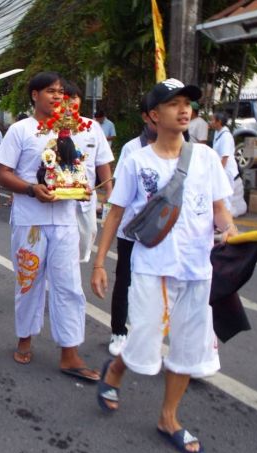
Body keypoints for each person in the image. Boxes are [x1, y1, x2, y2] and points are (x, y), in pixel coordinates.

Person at [90, 78, 236, 453]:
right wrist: (100, 263)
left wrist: (231, 231)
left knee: (187, 348)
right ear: (154, 115)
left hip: (196, 269)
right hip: (152, 266)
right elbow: (116, 212)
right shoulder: (137, 160)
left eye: (188, 103)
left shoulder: (204, 158)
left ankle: (168, 417)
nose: (184, 110)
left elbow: (220, 208)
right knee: (143, 341)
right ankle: (117, 370)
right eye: (174, 104)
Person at [0, 71, 102, 382]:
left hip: (66, 220)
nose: (57, 96)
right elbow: (3, 173)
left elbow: (80, 171)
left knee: (68, 285)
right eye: (50, 91)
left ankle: (70, 352)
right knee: (29, 282)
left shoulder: (75, 130)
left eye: (60, 92)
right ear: (35, 96)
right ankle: (25, 338)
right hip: (30, 220)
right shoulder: (21, 130)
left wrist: (85, 188)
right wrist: (30, 189)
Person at [105, 93, 157, 357]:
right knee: (124, 281)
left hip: (164, 236)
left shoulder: (189, 151)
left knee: (156, 288)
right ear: (148, 117)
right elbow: (120, 200)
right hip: (132, 233)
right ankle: (118, 332)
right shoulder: (132, 150)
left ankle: (149, 336)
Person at [64, 80, 114, 264]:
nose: (70, 103)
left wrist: (109, 190)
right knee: (61, 247)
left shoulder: (92, 127)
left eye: (74, 98)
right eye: (65, 99)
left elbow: (102, 162)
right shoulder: (49, 127)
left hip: (86, 197)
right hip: (58, 198)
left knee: (85, 241)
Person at [211, 111, 246, 217]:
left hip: (227, 172)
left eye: (212, 119)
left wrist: (218, 173)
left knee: (225, 197)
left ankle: (225, 222)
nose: (210, 122)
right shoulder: (218, 133)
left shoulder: (226, 136)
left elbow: (225, 158)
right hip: (222, 170)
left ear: (219, 122)